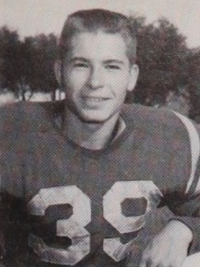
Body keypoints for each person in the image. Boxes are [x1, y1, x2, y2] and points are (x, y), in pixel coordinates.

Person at [0, 8, 200, 267]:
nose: (95, 82)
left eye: (111, 66)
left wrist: (184, 229)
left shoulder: (167, 135)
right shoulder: (14, 132)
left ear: (132, 76)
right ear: (60, 72)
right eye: (81, 65)